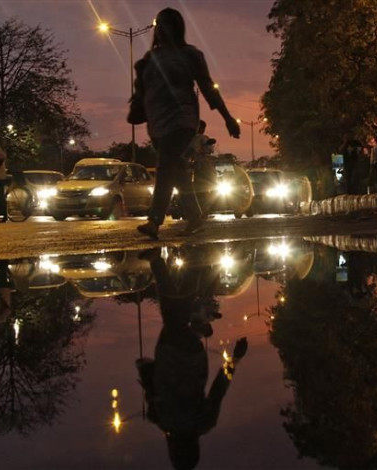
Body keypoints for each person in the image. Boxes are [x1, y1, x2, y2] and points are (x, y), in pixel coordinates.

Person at [136, 247, 247, 470]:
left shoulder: (204, 423)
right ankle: (174, 262)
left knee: (173, 312)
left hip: (192, 359)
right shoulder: (162, 420)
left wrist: (235, 359)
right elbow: (152, 389)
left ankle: (187, 264)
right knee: (171, 313)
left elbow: (218, 389)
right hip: (168, 354)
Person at [135, 8, 240, 240]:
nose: (161, 30)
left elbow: (207, 86)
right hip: (157, 123)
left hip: (182, 119)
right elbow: (144, 91)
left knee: (165, 166)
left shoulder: (190, 54)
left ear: (176, 27)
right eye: (158, 25)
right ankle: (195, 218)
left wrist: (228, 118)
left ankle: (154, 220)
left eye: (166, 25)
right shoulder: (150, 58)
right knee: (178, 170)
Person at [189, 120, 217, 217]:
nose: (201, 129)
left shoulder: (204, 138)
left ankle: (205, 209)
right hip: (194, 166)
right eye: (200, 127)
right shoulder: (191, 138)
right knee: (195, 189)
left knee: (205, 187)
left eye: (203, 128)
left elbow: (210, 149)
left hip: (203, 166)